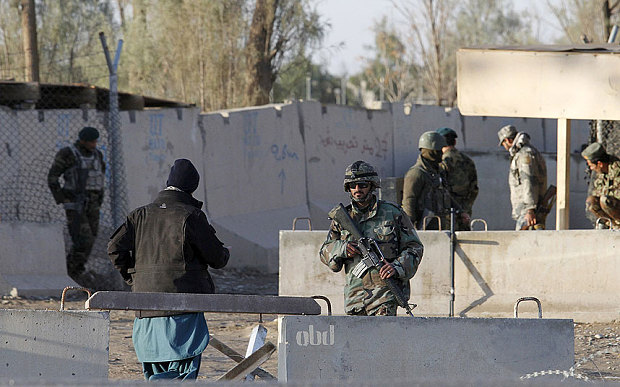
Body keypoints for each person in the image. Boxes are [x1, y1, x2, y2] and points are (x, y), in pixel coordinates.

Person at [108, 158, 230, 381]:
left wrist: (133, 279)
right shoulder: (191, 216)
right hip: (183, 307)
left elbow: (114, 248)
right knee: (184, 370)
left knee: (154, 369)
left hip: (146, 307)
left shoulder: (138, 215)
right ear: (192, 187)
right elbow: (217, 258)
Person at [319, 160, 424, 316]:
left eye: (362, 185)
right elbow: (324, 251)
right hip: (354, 297)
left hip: (384, 295)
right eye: (352, 186)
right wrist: (342, 249)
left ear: (372, 186)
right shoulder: (343, 218)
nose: (357, 190)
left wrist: (397, 267)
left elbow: (415, 247)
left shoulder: (392, 213)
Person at [47, 126, 105, 279]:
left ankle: (76, 269)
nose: (94, 145)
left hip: (93, 204)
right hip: (75, 203)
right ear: (83, 141)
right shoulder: (68, 154)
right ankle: (72, 271)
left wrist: (99, 201)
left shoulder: (97, 155)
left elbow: (100, 178)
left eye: (95, 141)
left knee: (91, 238)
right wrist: (62, 198)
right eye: (91, 142)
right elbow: (53, 177)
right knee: (82, 239)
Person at [497, 124, 548, 230]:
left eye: (504, 144)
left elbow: (529, 181)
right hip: (527, 210)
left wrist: (530, 210)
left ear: (508, 140)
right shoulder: (524, 153)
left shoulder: (524, 154)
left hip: (529, 212)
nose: (505, 148)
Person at [402, 131, 452, 230]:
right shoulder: (416, 173)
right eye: (438, 150)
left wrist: (460, 211)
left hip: (440, 224)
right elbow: (409, 201)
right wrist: (409, 229)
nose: (441, 153)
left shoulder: (437, 171)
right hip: (425, 226)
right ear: (430, 151)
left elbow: (445, 194)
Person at [437, 127, 479, 231]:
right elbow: (474, 188)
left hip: (448, 213)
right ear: (455, 142)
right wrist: (466, 208)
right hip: (465, 211)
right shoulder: (468, 161)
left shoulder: (441, 162)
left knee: (448, 243)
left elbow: (439, 189)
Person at [581, 142, 620, 229]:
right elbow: (597, 194)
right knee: (591, 201)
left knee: (605, 200)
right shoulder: (602, 174)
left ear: (600, 164)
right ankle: (611, 225)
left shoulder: (617, 170)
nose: (591, 168)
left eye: (591, 165)